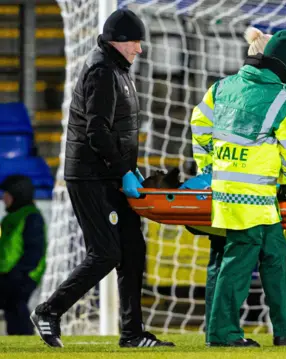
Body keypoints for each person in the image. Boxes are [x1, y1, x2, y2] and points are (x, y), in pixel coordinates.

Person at [30, 9, 173, 348]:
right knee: (107, 252)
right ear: (119, 42)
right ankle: (49, 311)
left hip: (110, 173)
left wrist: (129, 167)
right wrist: (123, 169)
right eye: (136, 42)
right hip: (90, 177)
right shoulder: (102, 71)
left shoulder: (118, 70)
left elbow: (116, 131)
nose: (140, 49)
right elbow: (97, 131)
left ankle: (132, 333)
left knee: (133, 249)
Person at [190, 29, 286, 347]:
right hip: (254, 194)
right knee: (239, 258)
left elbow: (199, 123)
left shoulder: (222, 87)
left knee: (274, 251)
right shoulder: (283, 97)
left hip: (229, 189)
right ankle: (222, 333)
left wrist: (214, 163)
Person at [0, 175, 46, 335]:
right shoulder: (9, 218)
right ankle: (22, 339)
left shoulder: (31, 217)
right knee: (13, 307)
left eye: (6, 194)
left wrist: (19, 272)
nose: (3, 198)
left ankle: (25, 338)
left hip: (24, 273)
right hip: (8, 273)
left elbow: (34, 250)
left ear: (18, 194)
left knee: (16, 304)